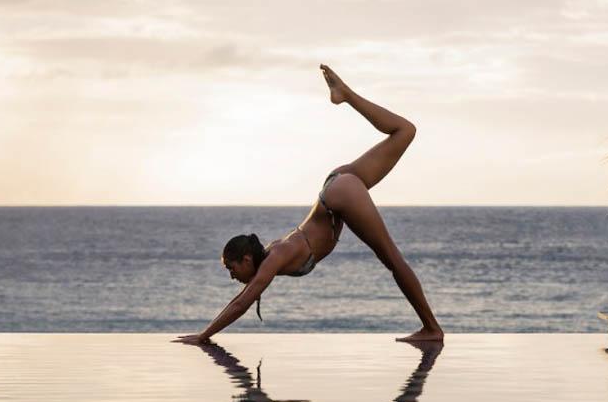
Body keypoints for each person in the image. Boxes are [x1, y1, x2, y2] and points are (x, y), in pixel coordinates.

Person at [174, 65, 444, 344]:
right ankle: (345, 95)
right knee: (405, 131)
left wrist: (204, 335)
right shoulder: (275, 255)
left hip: (339, 194)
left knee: (392, 259)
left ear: (246, 259)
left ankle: (432, 329)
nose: (232, 277)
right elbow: (243, 295)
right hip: (336, 185)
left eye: (232, 269)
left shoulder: (274, 258)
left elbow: (241, 302)